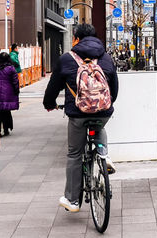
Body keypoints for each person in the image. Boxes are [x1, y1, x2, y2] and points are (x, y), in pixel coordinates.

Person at [44, 23, 119, 213]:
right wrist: (104, 105)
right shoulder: (106, 58)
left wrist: (49, 104)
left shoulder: (67, 59)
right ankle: (104, 155)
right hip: (103, 112)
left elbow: (53, 87)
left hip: (77, 114)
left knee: (74, 154)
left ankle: (72, 200)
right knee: (99, 124)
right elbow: (114, 89)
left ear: (76, 38)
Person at [0, 51, 20, 136]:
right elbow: (15, 81)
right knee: (6, 111)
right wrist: (16, 90)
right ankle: (6, 128)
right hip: (8, 92)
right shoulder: (11, 68)